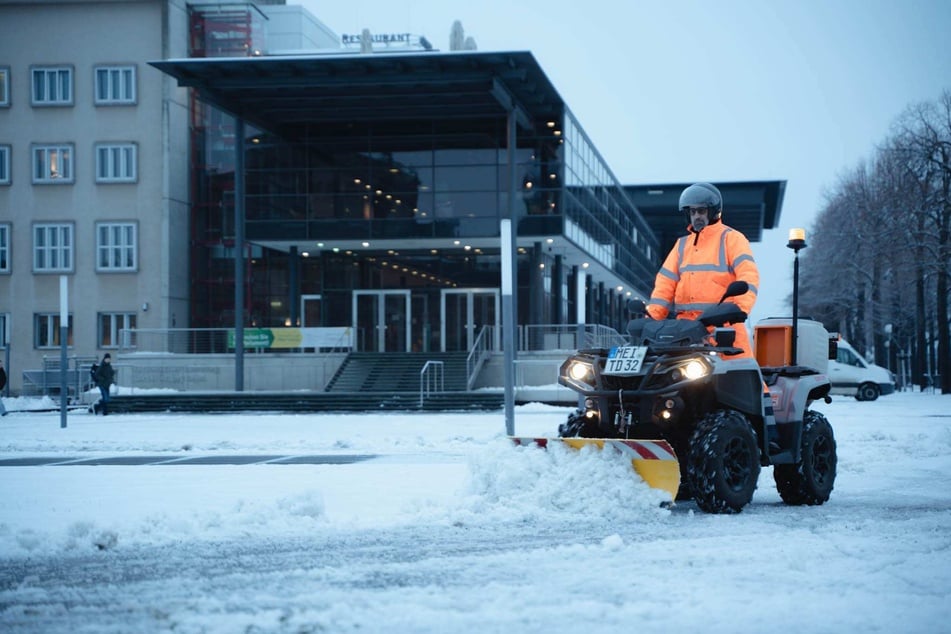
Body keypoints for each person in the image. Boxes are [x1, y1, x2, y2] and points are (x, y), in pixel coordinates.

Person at [647, 182, 760, 358]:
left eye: (701, 211)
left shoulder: (731, 238)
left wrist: (739, 308)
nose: (696, 216)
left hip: (724, 329)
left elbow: (748, 276)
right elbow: (665, 284)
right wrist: (652, 318)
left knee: (741, 378)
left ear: (713, 212)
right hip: (684, 333)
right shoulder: (681, 245)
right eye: (692, 212)